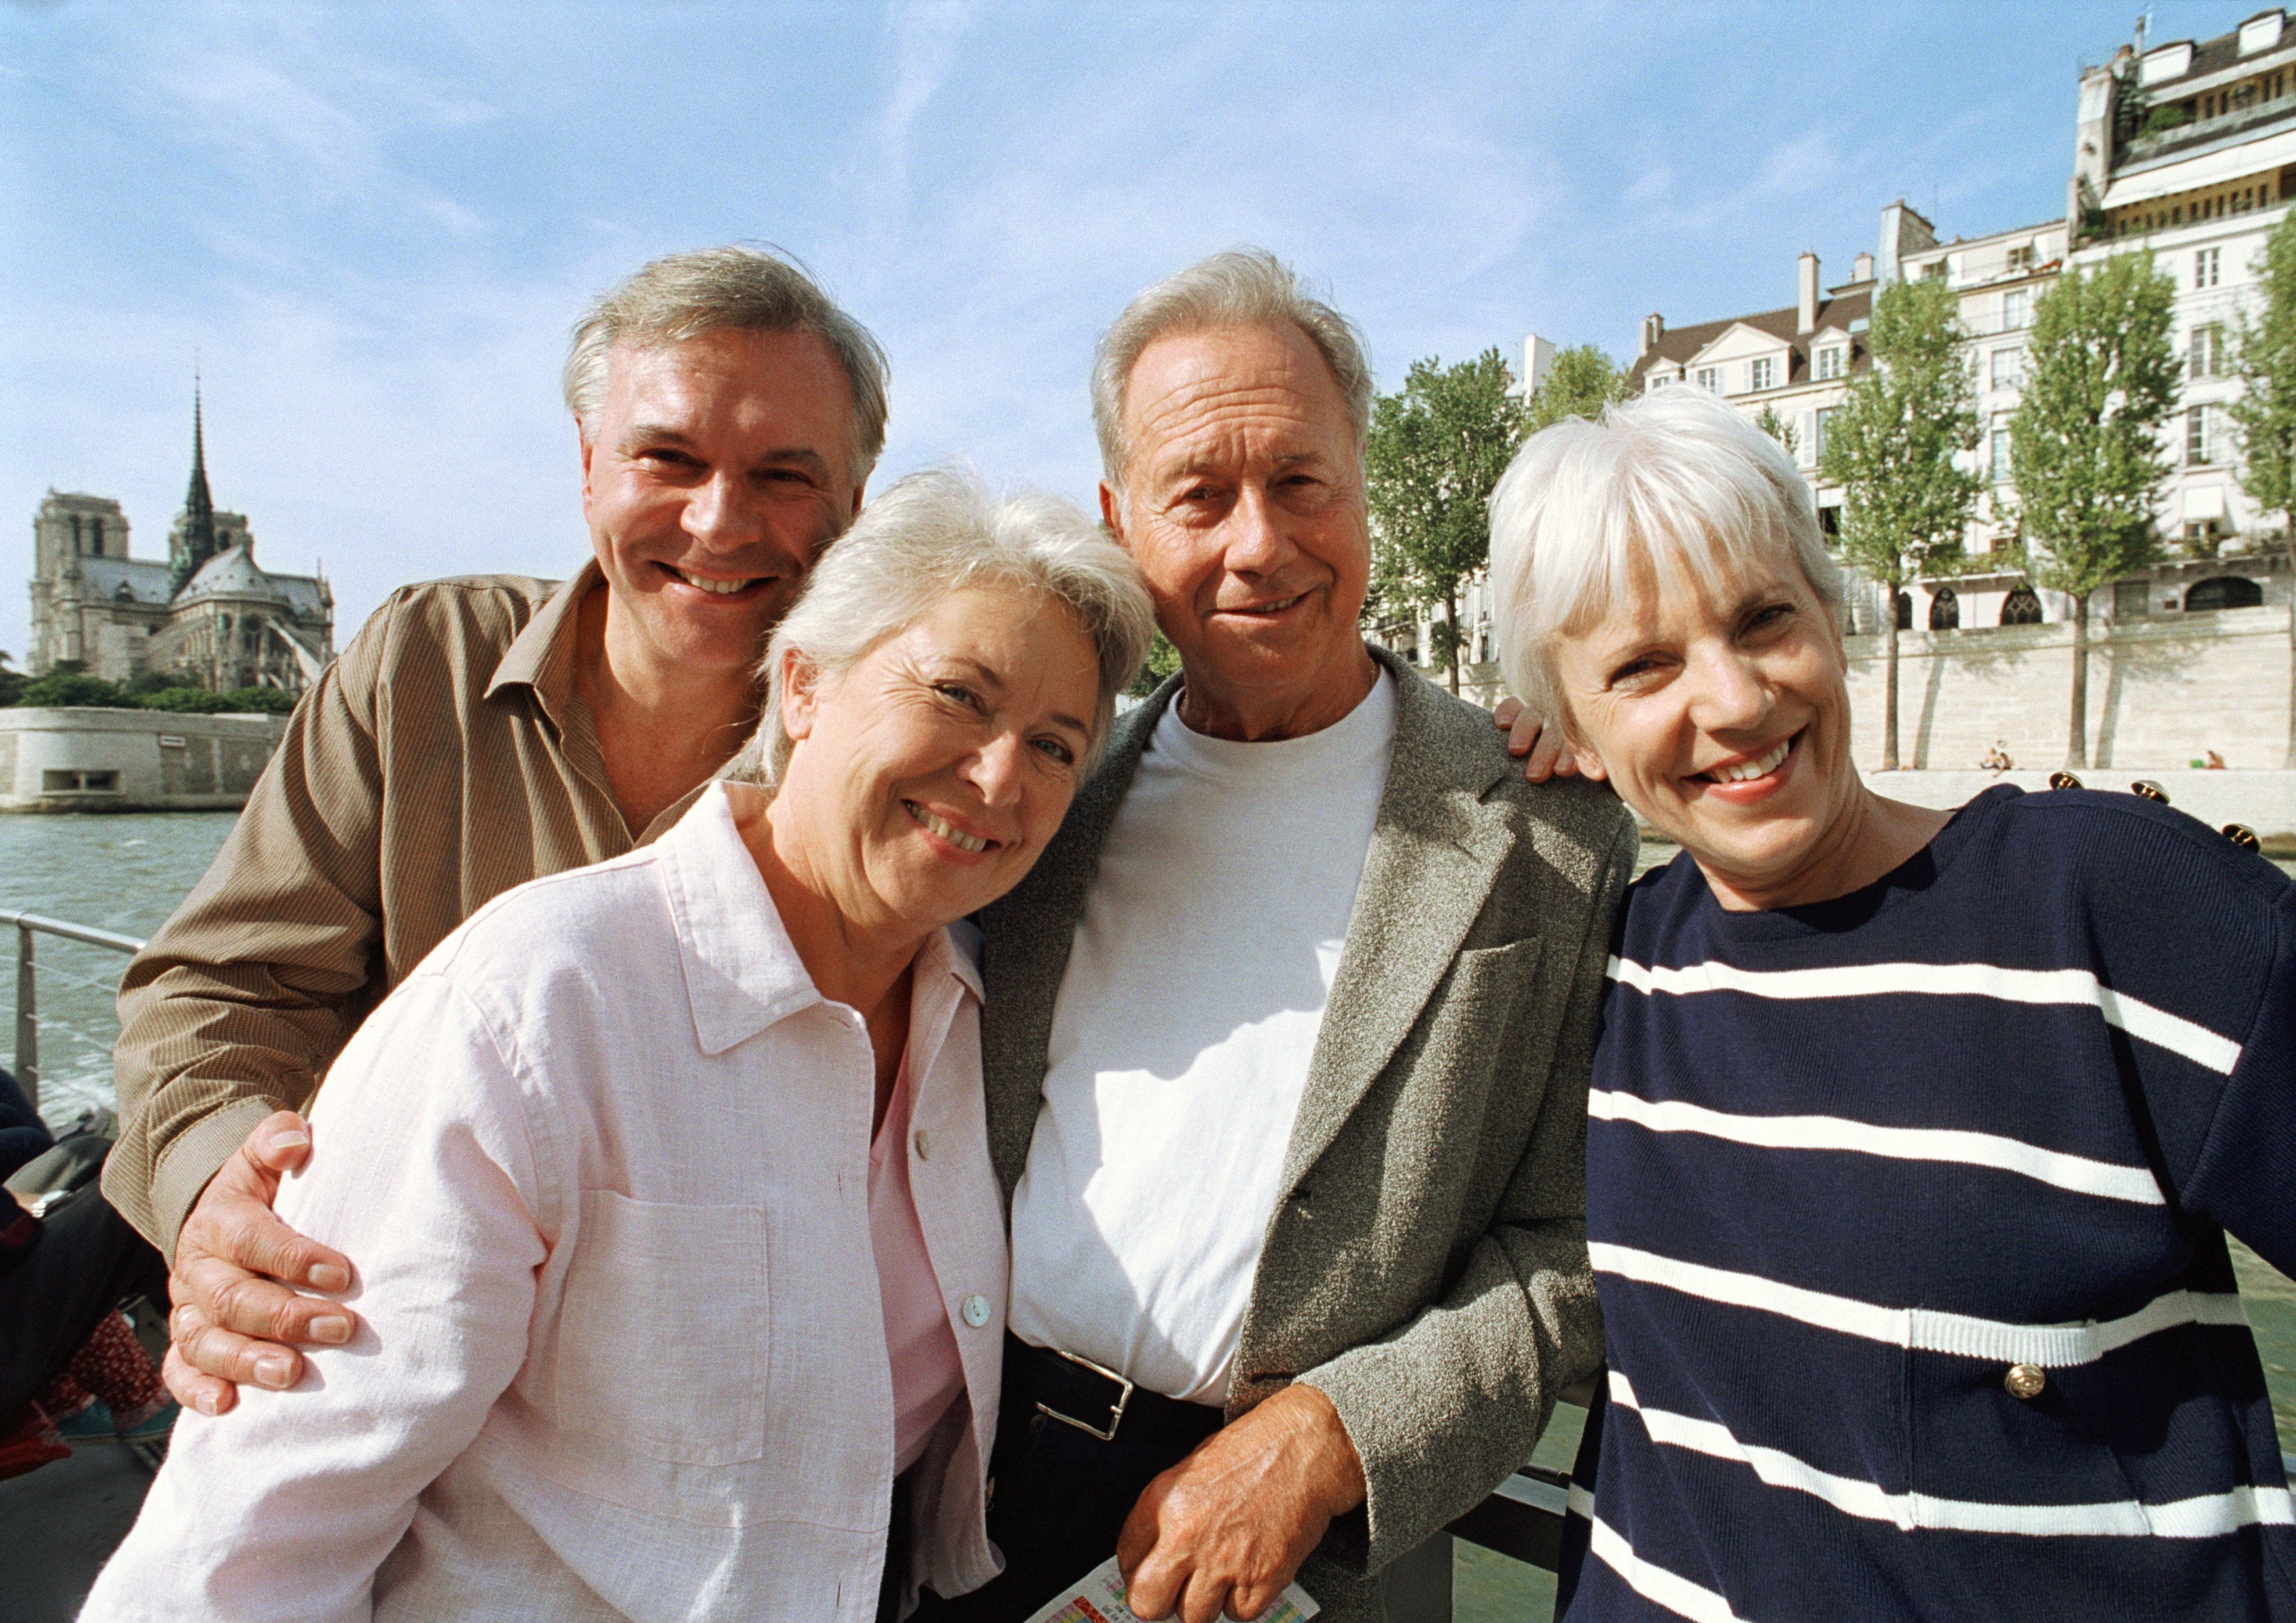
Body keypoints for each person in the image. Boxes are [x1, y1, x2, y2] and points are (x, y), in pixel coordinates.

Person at [82, 469, 1158, 1622]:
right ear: (802, 684)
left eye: (1055, 746)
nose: (1001, 777)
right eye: (957, 693)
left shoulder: (981, 1014)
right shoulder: (531, 1009)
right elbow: (248, 1549)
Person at [1484, 386, 2296, 1620]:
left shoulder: (2110, 906)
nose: (1737, 701)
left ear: (1833, 617)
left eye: (1765, 620)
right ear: (1568, 729)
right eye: (1644, 667)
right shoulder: (1612, 966)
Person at [961, 251, 1636, 1623]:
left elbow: (1579, 1241)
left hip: (1324, 1548)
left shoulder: (1550, 828)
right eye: (1198, 494)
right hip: (977, 1495)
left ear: (1362, 488)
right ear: (1120, 521)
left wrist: (1337, 1433)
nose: (1257, 542)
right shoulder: (1028, 808)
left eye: (1299, 481)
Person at [101, 245, 887, 1417]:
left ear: (855, 510)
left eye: (784, 476)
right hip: (379, 1347)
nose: (720, 524)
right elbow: (217, 990)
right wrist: (225, 1189)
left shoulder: (890, 754)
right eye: (667, 458)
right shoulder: (421, 663)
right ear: (586, 469)